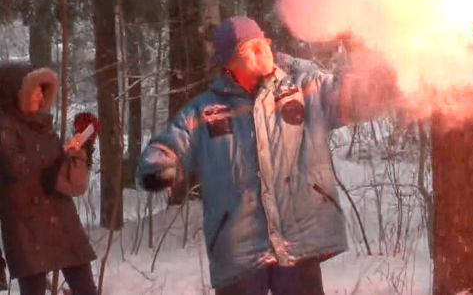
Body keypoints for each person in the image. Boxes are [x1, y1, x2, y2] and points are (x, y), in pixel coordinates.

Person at [136, 16, 396, 295]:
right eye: (250, 48)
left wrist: (384, 82)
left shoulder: (305, 90)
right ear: (228, 63)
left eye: (264, 43)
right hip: (239, 250)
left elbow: (352, 97)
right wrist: (159, 165)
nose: (263, 51)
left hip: (298, 243)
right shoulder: (204, 111)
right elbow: (170, 146)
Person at [0, 63, 98, 295]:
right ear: (17, 92)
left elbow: (66, 180)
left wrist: (80, 153)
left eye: (42, 89)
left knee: (86, 289)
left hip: (61, 217)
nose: (39, 94)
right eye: (33, 89)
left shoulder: (44, 125)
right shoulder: (3, 127)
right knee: (33, 290)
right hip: (25, 225)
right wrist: (57, 152)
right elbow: (16, 167)